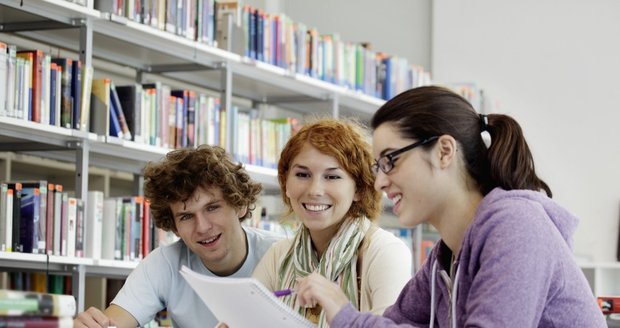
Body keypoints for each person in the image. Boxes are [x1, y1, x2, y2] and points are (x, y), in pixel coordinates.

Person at [294, 86, 607, 327]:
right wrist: (342, 312)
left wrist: (347, 316)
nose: (379, 183)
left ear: (444, 151)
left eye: (390, 160)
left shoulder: (517, 226)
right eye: (378, 166)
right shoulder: (444, 258)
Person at [73, 145, 283, 328]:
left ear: (240, 205)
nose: (202, 227)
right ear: (173, 226)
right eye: (186, 216)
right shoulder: (165, 263)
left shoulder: (281, 255)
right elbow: (115, 322)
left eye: (212, 208)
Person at [252, 118, 413, 327]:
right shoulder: (279, 255)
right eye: (302, 174)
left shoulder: (384, 252)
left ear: (359, 189)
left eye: (332, 177)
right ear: (286, 185)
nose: (314, 190)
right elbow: (240, 315)